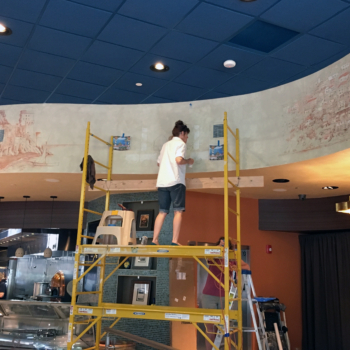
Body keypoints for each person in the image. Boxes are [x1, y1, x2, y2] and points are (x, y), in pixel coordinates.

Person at [201, 237, 250, 350]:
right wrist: (218, 248)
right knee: (210, 328)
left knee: (227, 328)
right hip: (210, 296)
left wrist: (236, 268)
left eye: (225, 245)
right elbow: (208, 256)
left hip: (228, 296)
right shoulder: (214, 257)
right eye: (221, 244)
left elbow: (246, 266)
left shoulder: (233, 258)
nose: (223, 247)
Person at [152, 120, 194, 245]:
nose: (186, 138)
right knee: (178, 211)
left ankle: (154, 239)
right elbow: (179, 160)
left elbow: (159, 163)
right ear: (182, 133)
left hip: (162, 182)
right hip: (176, 181)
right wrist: (189, 161)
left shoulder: (165, 145)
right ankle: (174, 240)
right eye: (186, 135)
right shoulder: (181, 144)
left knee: (162, 212)